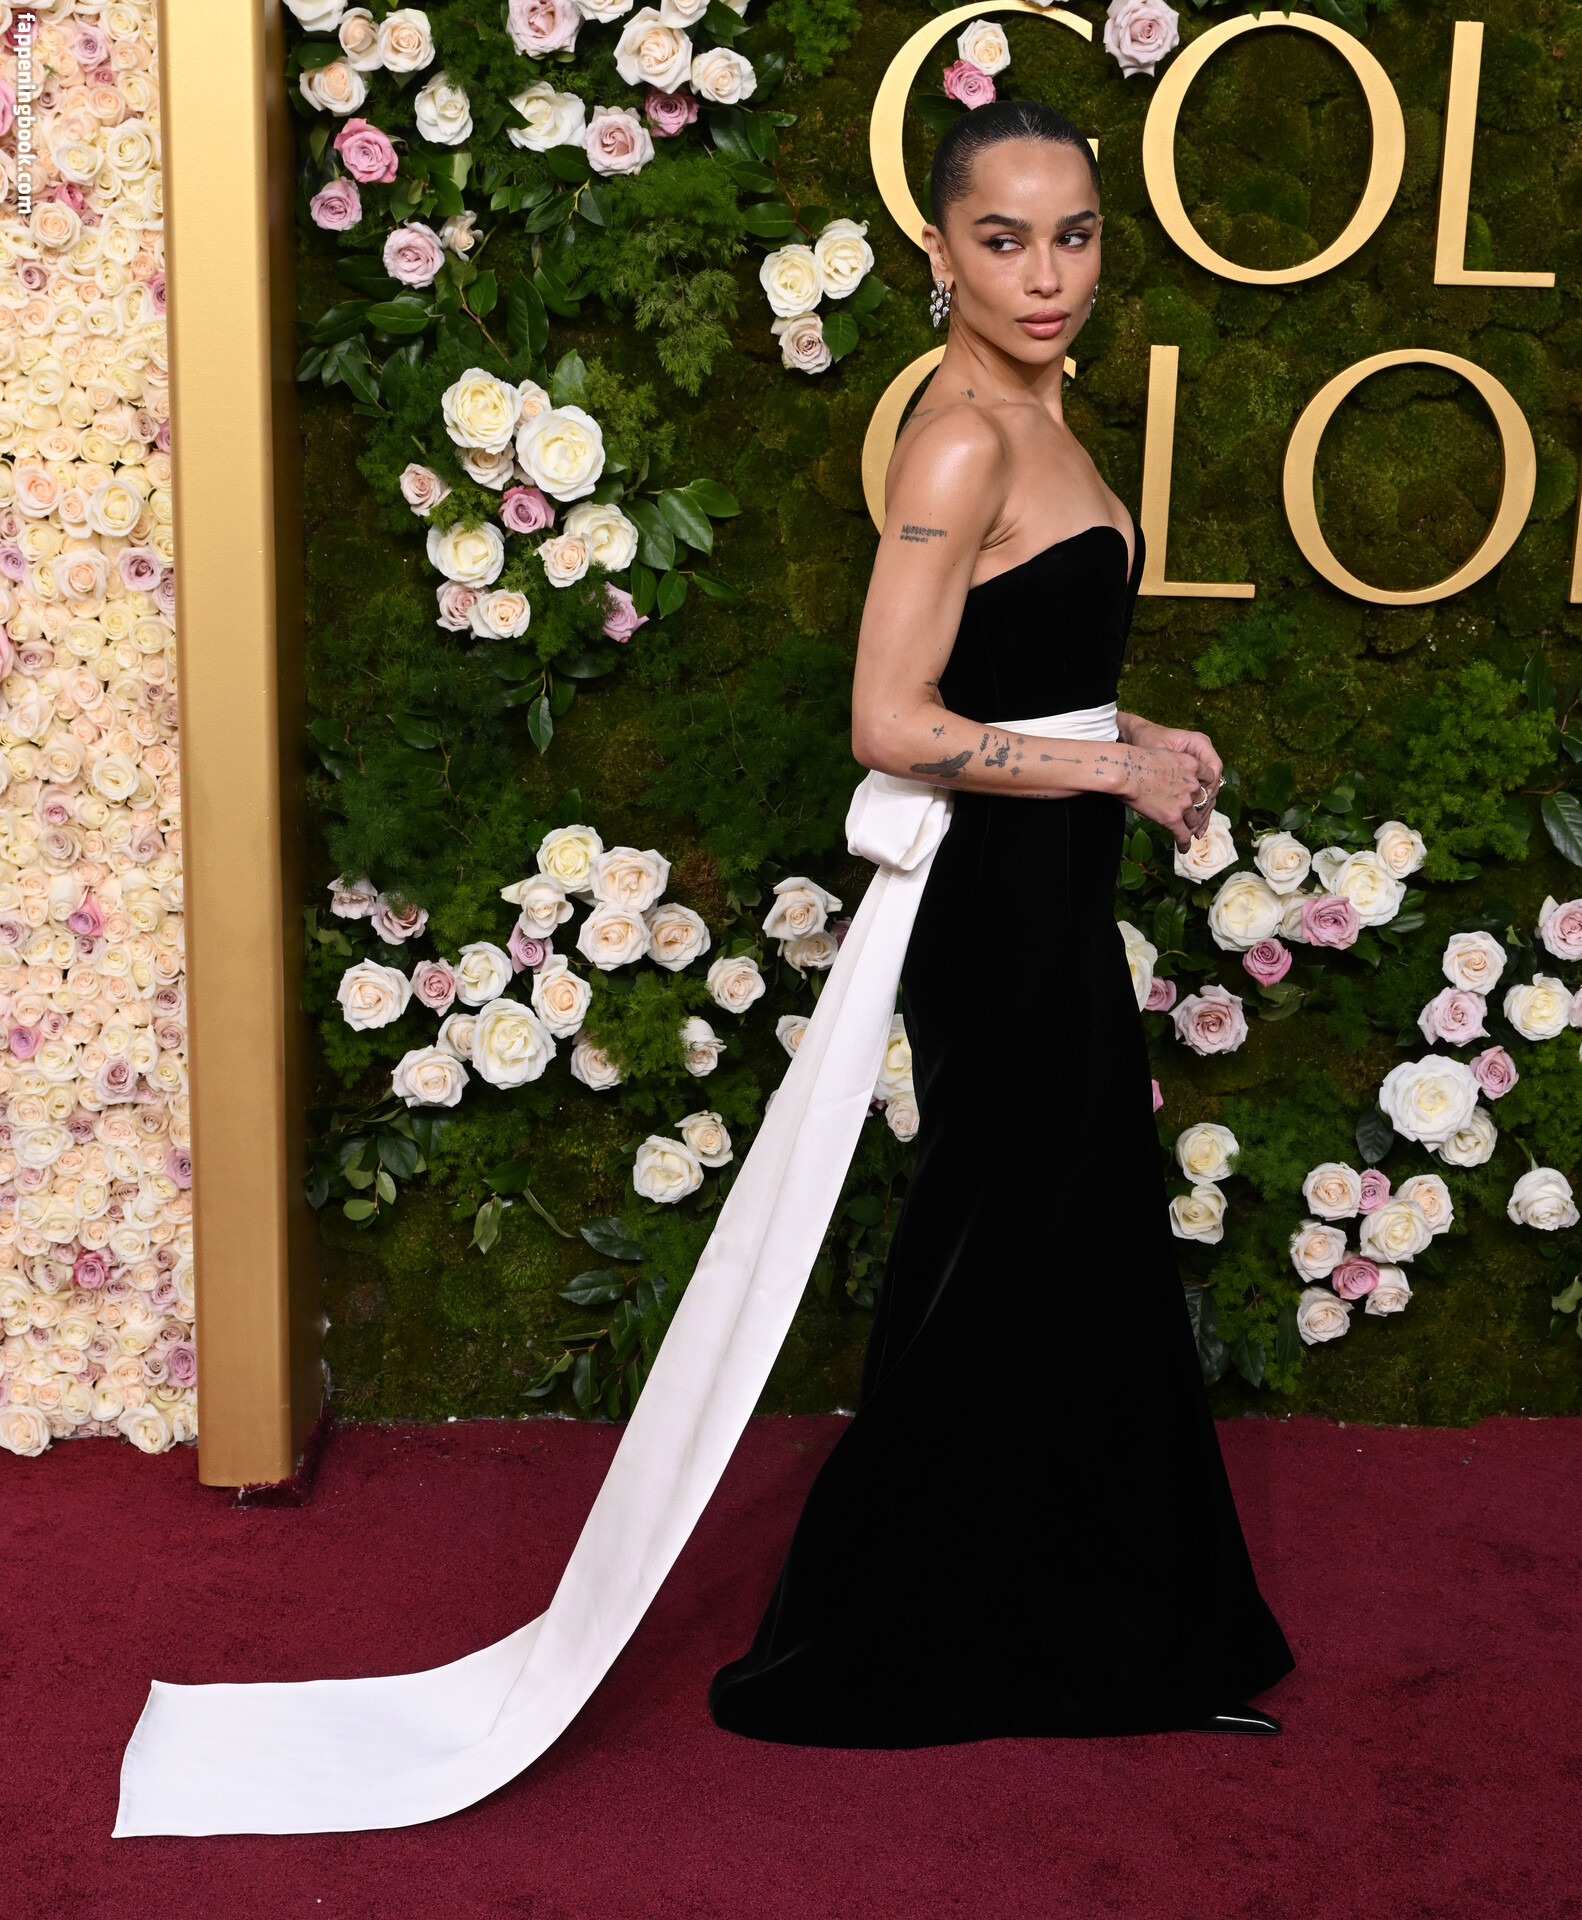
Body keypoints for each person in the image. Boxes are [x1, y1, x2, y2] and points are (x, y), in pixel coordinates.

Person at [706, 99, 1297, 1746]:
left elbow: (1025, 668)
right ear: (938, 252)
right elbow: (890, 721)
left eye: (1074, 237)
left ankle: (1100, 1638)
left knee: (1070, 1255)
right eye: (1002, 239)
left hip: (1051, 897)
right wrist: (1110, 769)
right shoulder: (959, 437)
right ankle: (878, 1646)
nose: (1045, 277)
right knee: (1001, 1260)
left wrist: (1139, 733)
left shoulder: (1041, 416)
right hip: (996, 918)